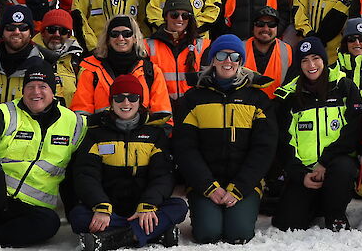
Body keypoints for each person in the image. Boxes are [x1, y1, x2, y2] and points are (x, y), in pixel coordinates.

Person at [0, 64, 83, 249]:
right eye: (30, 86)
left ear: (54, 90)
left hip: (28, 208)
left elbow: (83, 161)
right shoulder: (7, 112)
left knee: (50, 223)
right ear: (23, 89)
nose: (36, 92)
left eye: (43, 86)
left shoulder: (73, 122)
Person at [172, 35, 276, 244]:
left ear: (241, 62)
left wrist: (240, 187)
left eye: (234, 56)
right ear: (213, 60)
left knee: (238, 234)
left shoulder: (257, 99)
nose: (228, 61)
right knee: (208, 234)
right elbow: (185, 148)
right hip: (206, 184)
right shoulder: (194, 99)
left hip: (244, 184)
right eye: (221, 55)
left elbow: (264, 148)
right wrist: (208, 186)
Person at [67, 73, 188, 250]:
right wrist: (100, 206)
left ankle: (113, 238)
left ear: (140, 101)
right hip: (108, 208)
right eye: (119, 98)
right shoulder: (95, 133)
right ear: (111, 101)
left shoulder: (155, 134)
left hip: (143, 206)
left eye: (132, 97)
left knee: (179, 207)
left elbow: (163, 175)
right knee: (78, 216)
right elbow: (85, 174)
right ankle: (153, 232)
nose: (126, 103)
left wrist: (148, 204)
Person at [271, 37, 362, 232]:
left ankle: (336, 214)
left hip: (335, 165)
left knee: (343, 168)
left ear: (324, 59)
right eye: (305, 60)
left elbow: (354, 130)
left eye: (316, 58)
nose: (311, 65)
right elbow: (282, 141)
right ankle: (315, 204)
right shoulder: (288, 96)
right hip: (304, 170)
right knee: (287, 224)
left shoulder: (343, 86)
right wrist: (300, 174)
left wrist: (325, 161)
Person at [0, 6, 71, 138]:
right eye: (10, 27)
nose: (16, 32)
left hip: (24, 150)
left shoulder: (44, 68)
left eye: (23, 28)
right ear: (2, 31)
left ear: (31, 32)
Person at [72, 15, 171, 120]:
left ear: (135, 38)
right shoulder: (91, 70)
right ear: (108, 39)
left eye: (126, 34)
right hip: (102, 132)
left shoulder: (151, 71)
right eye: (114, 34)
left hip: (141, 133)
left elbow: (162, 117)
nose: (120, 38)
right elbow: (81, 114)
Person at [145, 0, 208, 100]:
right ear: (165, 16)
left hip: (191, 107)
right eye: (174, 15)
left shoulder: (202, 45)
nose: (180, 19)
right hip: (161, 107)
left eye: (185, 16)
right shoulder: (148, 45)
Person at [242, 6, 290, 97]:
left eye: (271, 24)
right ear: (253, 27)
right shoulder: (239, 49)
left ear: (277, 28)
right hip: (244, 106)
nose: (265, 29)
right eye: (260, 24)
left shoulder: (288, 51)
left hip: (276, 106)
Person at [38, 8, 86, 95]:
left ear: (68, 35)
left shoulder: (78, 60)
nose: (57, 34)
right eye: (52, 29)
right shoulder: (29, 55)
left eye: (63, 31)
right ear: (43, 32)